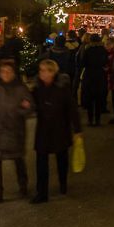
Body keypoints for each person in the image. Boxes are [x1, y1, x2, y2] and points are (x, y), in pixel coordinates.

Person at [30, 59, 82, 204]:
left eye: (45, 70)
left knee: (62, 159)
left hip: (60, 129)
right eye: (40, 70)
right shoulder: (37, 88)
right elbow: (32, 104)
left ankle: (63, 183)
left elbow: (72, 109)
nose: (42, 73)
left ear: (52, 72)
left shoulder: (62, 88)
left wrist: (77, 129)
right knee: (41, 162)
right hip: (43, 130)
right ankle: (42, 193)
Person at [0, 59, 33, 205]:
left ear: (14, 73)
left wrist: (19, 111)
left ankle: (23, 185)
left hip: (15, 129)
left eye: (9, 71)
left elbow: (30, 107)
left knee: (18, 159)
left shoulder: (21, 88)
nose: (6, 74)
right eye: (3, 71)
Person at [82, 33, 108, 126]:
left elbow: (83, 62)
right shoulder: (103, 50)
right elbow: (106, 62)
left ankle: (90, 119)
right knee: (98, 98)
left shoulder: (88, 50)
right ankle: (97, 120)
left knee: (90, 98)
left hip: (89, 74)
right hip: (100, 75)